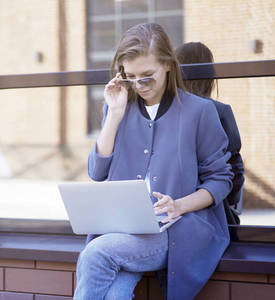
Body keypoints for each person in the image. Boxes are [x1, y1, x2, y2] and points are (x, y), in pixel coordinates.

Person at [75, 23, 233, 300]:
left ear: (168, 66)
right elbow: (97, 171)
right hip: (124, 226)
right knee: (113, 294)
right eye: (131, 76)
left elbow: (221, 180)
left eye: (148, 76)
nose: (139, 85)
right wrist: (113, 114)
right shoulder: (118, 108)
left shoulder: (200, 111)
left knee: (97, 253)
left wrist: (178, 205)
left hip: (177, 228)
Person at [175, 42, 245, 225]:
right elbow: (234, 167)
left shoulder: (167, 111)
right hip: (211, 210)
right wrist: (229, 203)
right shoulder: (219, 110)